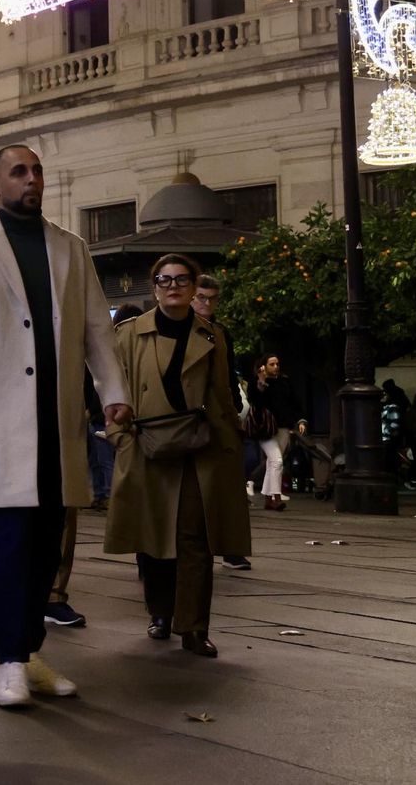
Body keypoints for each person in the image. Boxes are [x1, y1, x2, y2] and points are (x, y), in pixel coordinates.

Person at [0, 144, 130, 709]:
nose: (30, 179)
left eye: (37, 170)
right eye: (18, 171)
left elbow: (97, 330)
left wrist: (113, 393)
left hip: (58, 417)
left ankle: (30, 651)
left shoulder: (70, 248)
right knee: (11, 543)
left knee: (48, 546)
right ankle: (10, 661)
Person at [103, 254, 252, 658]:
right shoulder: (129, 333)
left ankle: (194, 627)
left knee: (194, 540)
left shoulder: (213, 335)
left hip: (198, 449)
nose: (173, 286)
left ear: (192, 287)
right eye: (164, 280)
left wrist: (228, 446)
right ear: (154, 288)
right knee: (153, 539)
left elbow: (222, 395)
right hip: (146, 446)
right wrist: (121, 437)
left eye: (181, 279)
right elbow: (107, 387)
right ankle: (161, 613)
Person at [190, 277, 252, 570]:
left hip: (218, 414)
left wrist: (236, 411)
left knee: (226, 487)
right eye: (202, 297)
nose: (207, 304)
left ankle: (230, 547)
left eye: (212, 299)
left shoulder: (220, 332)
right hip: (184, 417)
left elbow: (228, 375)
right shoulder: (179, 327)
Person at [248, 354, 302, 511]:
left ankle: (267, 500)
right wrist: (261, 382)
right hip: (264, 429)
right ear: (264, 366)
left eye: (277, 363)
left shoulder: (285, 382)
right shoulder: (256, 382)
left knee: (273, 463)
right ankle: (276, 498)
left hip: (283, 427)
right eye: (272, 364)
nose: (276, 366)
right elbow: (256, 402)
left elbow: (293, 402)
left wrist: (299, 420)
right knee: (277, 461)